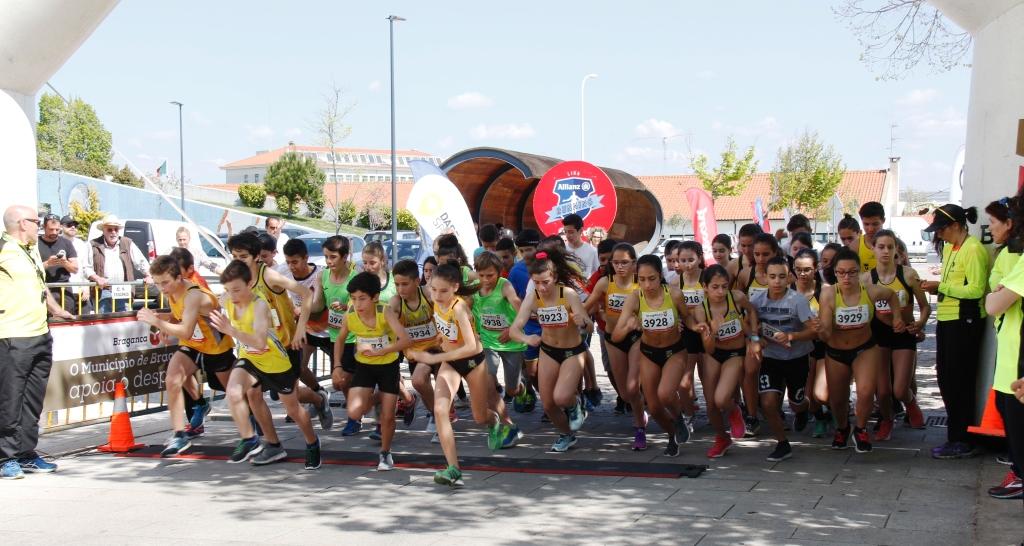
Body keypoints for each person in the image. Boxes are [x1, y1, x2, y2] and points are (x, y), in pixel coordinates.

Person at [408, 261, 518, 487]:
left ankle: (494, 419)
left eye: (443, 291)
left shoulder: (459, 307)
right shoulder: (435, 301)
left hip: (472, 362)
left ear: (455, 288)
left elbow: (470, 346)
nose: (437, 295)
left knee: (479, 417)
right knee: (440, 410)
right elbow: (444, 333)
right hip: (450, 361)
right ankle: (453, 468)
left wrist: (433, 358)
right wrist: (427, 346)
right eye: (434, 289)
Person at [209, 261, 321, 469]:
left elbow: (260, 342)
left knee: (294, 409)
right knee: (233, 392)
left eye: (236, 290)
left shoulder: (259, 306)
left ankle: (312, 442)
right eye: (227, 290)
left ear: (250, 284)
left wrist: (230, 331)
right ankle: (250, 439)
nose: (232, 295)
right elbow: (210, 301)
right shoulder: (228, 300)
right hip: (250, 359)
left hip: (274, 362)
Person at [0, 205, 74, 479]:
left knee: (32, 400)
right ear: (22, 223)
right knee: (10, 398)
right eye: (36, 221)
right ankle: (4, 457)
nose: (40, 226)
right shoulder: (3, 249)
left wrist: (56, 310)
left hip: (39, 334)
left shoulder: (30, 250)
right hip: (11, 334)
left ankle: (26, 453)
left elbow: (40, 286)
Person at [138, 255, 237, 457]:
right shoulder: (170, 291)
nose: (162, 288)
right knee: (172, 380)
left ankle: (253, 427)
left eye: (165, 283)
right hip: (192, 345)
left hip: (215, 346)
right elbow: (179, 316)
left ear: (179, 278)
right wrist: (167, 323)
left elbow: (185, 330)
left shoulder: (193, 294)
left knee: (235, 394)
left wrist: (157, 323)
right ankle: (178, 434)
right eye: (157, 284)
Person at [818, 248, 904, 454]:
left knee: (866, 391)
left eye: (852, 272)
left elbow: (891, 295)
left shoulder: (870, 291)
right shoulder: (828, 294)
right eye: (841, 272)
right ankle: (842, 427)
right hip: (836, 352)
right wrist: (820, 330)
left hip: (865, 348)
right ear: (835, 273)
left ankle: (861, 428)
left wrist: (898, 317)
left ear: (859, 272)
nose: (847, 277)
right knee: (837, 399)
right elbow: (826, 334)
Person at [920, 204, 988, 459]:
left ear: (957, 226)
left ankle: (962, 439)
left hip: (966, 321)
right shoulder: (950, 248)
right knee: (946, 378)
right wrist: (940, 287)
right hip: (948, 319)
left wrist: (943, 286)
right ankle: (955, 435)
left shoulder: (974, 249)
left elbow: (977, 290)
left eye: (942, 229)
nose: (939, 235)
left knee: (960, 380)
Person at [510, 248, 593, 453]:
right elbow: (514, 329)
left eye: (545, 282)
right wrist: (526, 338)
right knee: (548, 405)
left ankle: (575, 404)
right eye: (536, 282)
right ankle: (566, 435)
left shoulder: (569, 294)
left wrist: (582, 322)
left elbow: (589, 326)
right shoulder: (533, 297)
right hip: (548, 351)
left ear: (554, 277)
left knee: (562, 397)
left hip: (572, 351)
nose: (541, 287)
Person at [612, 254, 692, 457]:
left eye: (652, 278)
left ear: (660, 276)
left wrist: (698, 326)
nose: (647, 284)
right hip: (648, 353)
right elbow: (616, 335)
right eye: (642, 279)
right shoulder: (635, 298)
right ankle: (673, 434)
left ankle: (679, 418)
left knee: (665, 394)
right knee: (654, 407)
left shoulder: (673, 294)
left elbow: (688, 318)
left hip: (674, 351)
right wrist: (629, 326)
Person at [331, 272, 412, 470]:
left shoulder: (384, 312)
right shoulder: (350, 315)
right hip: (365, 367)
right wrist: (337, 366)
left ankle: (385, 453)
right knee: (354, 411)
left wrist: (381, 351)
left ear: (375, 297)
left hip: (388, 366)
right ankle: (385, 396)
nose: (357, 304)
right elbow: (340, 339)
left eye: (362, 299)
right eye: (353, 298)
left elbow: (406, 340)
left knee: (387, 416)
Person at [863, 229, 931, 439]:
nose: (885, 251)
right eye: (881, 247)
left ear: (896, 250)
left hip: (904, 334)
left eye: (890, 247)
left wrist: (919, 324)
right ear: (873, 249)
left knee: (900, 390)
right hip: (879, 336)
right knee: (883, 392)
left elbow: (925, 306)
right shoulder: (866, 279)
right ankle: (887, 419)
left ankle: (911, 403)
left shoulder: (908, 275)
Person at [751, 256, 818, 461]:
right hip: (771, 358)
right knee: (769, 402)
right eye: (772, 277)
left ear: (789, 277)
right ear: (765, 277)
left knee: (796, 402)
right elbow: (749, 324)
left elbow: (813, 332)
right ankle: (782, 443)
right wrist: (756, 338)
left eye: (781, 276)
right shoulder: (757, 301)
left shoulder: (797, 300)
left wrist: (792, 336)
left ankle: (803, 410)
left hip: (797, 358)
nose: (777, 281)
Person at [692, 265, 759, 458]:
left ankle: (735, 409)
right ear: (705, 287)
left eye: (724, 286)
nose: (721, 291)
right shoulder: (701, 310)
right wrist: (712, 330)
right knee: (711, 404)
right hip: (714, 354)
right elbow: (709, 349)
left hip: (735, 354)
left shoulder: (736, 297)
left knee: (721, 399)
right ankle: (722, 438)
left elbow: (752, 312)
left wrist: (753, 337)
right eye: (715, 287)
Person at [981, 196, 1024, 499]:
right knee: (1007, 414)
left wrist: (998, 293)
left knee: (1017, 424)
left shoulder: (1016, 256)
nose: (990, 229)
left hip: (1018, 359)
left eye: (994, 223)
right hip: (1010, 351)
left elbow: (994, 301)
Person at [585, 243, 646, 448]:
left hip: (636, 337)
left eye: (625, 263)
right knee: (625, 393)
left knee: (632, 386)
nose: (620, 267)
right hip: (613, 339)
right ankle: (639, 408)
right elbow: (587, 306)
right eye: (616, 262)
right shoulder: (605, 283)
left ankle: (639, 427)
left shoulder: (641, 283)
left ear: (634, 263)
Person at [736, 233, 789, 436]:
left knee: (778, 372)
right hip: (753, 333)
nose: (760, 259)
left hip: (779, 333)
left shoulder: (786, 276)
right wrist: (753, 335)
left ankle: (776, 411)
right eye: (756, 254)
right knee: (750, 370)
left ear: (775, 253)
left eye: (765, 254)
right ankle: (751, 415)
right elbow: (739, 308)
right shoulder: (745, 275)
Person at [472, 251, 526, 445]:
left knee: (512, 390)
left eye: (490, 275)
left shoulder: (505, 286)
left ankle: (522, 389)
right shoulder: (475, 288)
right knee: (487, 384)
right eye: (482, 275)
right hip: (487, 343)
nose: (486, 280)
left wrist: (512, 328)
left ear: (499, 273)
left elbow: (521, 308)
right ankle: (509, 425)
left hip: (511, 344)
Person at [280, 238, 333, 428]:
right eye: (288, 262)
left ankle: (355, 416)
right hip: (306, 330)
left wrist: (301, 309)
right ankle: (319, 393)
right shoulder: (282, 273)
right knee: (300, 368)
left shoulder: (320, 274)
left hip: (330, 331)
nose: (291, 266)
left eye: (295, 261)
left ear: (306, 258)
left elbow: (318, 305)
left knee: (341, 379)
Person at [388, 260, 444, 442]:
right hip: (417, 353)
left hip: (439, 347)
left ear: (417, 281)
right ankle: (438, 415)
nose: (400, 289)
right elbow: (394, 332)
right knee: (420, 383)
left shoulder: (428, 294)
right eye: (397, 284)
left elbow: (447, 315)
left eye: (404, 284)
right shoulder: (396, 303)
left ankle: (442, 420)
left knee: (433, 382)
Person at [318, 236, 361, 434]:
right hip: (336, 337)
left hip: (357, 336)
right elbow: (318, 303)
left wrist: (347, 307)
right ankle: (355, 414)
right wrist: (302, 308)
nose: (328, 261)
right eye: (326, 257)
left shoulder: (355, 276)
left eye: (333, 257)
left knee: (348, 379)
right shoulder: (323, 276)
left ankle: (355, 417)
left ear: (345, 257)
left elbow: (362, 305)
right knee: (341, 381)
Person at [792, 248, 830, 438]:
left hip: (821, 346)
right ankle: (816, 415)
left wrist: (819, 328)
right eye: (798, 269)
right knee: (805, 396)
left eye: (807, 269)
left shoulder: (826, 291)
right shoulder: (787, 291)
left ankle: (832, 411)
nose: (802, 274)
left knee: (821, 394)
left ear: (816, 268)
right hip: (798, 348)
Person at [83, 215, 151, 313]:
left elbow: (141, 262)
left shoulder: (128, 243)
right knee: (104, 323)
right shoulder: (92, 244)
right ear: (103, 230)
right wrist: (97, 278)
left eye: (116, 229)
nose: (113, 232)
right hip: (102, 291)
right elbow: (86, 267)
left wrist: (148, 275)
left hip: (123, 290)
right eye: (110, 229)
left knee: (124, 322)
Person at [672, 241, 706, 433]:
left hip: (708, 331)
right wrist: (676, 319)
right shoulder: (676, 282)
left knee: (708, 377)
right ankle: (688, 414)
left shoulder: (708, 278)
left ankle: (729, 409)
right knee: (684, 382)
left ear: (700, 258)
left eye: (691, 260)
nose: (687, 264)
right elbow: (671, 306)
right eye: (682, 260)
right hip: (687, 333)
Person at [507, 229, 543, 412]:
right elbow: (512, 300)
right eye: (522, 250)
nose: (526, 254)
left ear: (538, 246)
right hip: (529, 328)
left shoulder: (550, 267)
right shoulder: (516, 271)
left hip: (554, 328)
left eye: (529, 249)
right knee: (533, 371)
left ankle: (572, 401)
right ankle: (544, 398)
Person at [36, 214, 78, 315]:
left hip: (64, 289)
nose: (54, 232)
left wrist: (64, 263)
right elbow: (31, 269)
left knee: (67, 320)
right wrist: (47, 264)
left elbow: (75, 269)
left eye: (57, 229)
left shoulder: (66, 243)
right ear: (44, 227)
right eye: (51, 229)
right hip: (44, 288)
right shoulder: (36, 243)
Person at [60, 216, 93, 314]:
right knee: (66, 322)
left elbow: (86, 267)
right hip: (63, 291)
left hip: (80, 289)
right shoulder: (57, 243)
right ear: (61, 227)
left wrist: (86, 287)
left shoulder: (82, 244)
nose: (73, 227)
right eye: (69, 225)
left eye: (75, 225)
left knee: (85, 321)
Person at [562, 213, 600, 278]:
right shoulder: (562, 249)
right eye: (565, 232)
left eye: (571, 232)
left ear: (581, 230)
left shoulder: (592, 251)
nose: (568, 235)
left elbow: (597, 273)